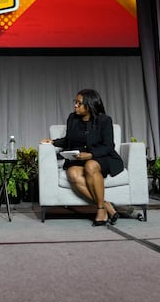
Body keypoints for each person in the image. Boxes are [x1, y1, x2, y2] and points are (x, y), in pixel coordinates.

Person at [40, 88, 124, 226]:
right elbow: (68, 140)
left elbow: (108, 146)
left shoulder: (104, 120)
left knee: (91, 165)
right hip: (79, 159)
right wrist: (53, 142)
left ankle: (101, 211)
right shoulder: (72, 118)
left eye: (79, 103)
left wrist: (91, 155)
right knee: (72, 173)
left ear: (90, 105)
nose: (75, 105)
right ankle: (105, 204)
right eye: (75, 102)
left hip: (102, 157)